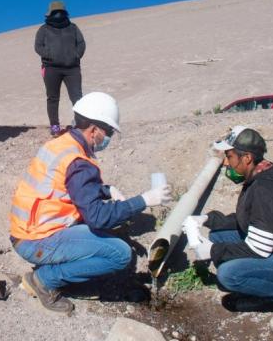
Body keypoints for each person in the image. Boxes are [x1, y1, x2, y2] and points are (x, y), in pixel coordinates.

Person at [9, 92, 171, 314]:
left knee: (104, 232)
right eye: (109, 132)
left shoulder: (61, 144)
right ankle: (44, 280)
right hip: (36, 241)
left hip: (26, 230)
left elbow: (69, 187)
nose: (109, 138)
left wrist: (106, 190)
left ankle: (58, 266)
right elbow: (97, 217)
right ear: (94, 130)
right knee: (121, 254)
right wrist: (144, 200)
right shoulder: (79, 163)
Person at [188, 126, 273, 332]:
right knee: (218, 235)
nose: (226, 162)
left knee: (228, 275)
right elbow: (249, 219)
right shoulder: (260, 174)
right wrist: (207, 219)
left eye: (230, 156)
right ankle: (265, 293)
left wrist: (213, 251)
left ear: (247, 158)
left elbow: (259, 248)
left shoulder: (265, 190)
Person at [34, 0, 85, 136]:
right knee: (52, 97)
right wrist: (49, 55)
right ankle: (55, 125)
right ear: (50, 13)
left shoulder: (73, 27)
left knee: (77, 96)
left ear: (64, 12)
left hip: (72, 68)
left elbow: (81, 43)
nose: (58, 15)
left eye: (60, 12)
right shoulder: (44, 29)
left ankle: (80, 123)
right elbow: (38, 46)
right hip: (51, 68)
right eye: (55, 12)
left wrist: (76, 55)